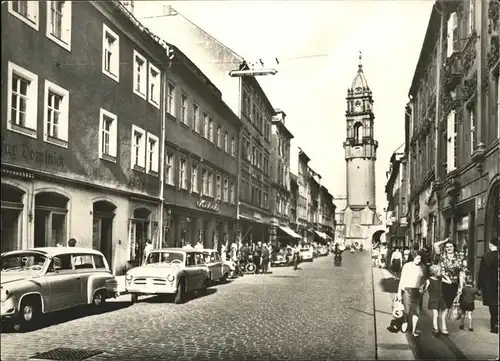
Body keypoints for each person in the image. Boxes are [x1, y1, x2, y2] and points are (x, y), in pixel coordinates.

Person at [433, 238, 467, 335]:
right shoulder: (441, 256)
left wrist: (461, 286)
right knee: (445, 306)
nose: (448, 248)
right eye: (447, 247)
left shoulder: (459, 258)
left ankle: (439, 324)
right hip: (443, 284)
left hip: (454, 285)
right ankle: (443, 326)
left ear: (454, 247)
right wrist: (444, 241)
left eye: (450, 246)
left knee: (450, 305)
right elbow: (435, 245)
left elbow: (461, 272)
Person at [397, 250, 427, 337]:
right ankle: (405, 322)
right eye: (417, 258)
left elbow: (425, 280)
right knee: (406, 310)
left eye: (420, 258)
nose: (419, 260)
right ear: (413, 257)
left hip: (418, 291)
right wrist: (399, 292)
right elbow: (402, 279)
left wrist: (424, 288)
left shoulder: (423, 267)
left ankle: (414, 330)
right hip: (407, 290)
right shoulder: (406, 266)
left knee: (416, 311)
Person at [477, 238, 499, 334]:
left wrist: (479, 286)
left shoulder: (486, 257)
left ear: (490, 245)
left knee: (493, 305)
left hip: (490, 285)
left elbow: (482, 273)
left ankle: (494, 326)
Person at [426, 264, 447, 336]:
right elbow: (424, 288)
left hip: (441, 299)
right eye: (439, 271)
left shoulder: (440, 279)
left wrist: (444, 275)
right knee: (436, 314)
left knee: (443, 312)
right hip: (433, 299)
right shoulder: (429, 280)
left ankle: (442, 327)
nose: (441, 272)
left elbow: (449, 282)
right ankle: (436, 329)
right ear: (435, 272)